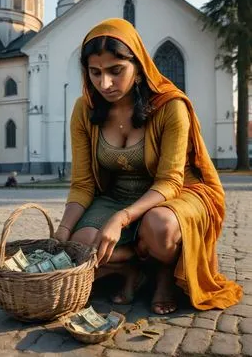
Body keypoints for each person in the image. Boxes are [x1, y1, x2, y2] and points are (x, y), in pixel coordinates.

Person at [54, 18, 242, 314]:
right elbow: (83, 184)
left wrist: (121, 219)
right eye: (95, 73)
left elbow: (169, 181)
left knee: (160, 227)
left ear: (138, 66)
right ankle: (135, 268)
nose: (105, 84)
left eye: (116, 71)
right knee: (82, 244)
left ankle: (164, 275)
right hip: (117, 195)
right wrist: (62, 232)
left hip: (177, 192)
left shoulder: (171, 106)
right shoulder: (85, 109)